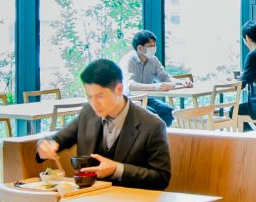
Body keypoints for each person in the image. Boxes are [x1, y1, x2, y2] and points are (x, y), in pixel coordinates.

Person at [35, 59, 172, 190]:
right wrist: (46, 144)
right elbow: (59, 139)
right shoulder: (88, 113)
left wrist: (117, 169)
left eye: (100, 96)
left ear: (119, 89)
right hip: (90, 200)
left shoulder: (152, 125)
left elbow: (161, 178)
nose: (94, 104)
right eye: (89, 96)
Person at [121, 30, 183, 125]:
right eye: (150, 46)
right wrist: (154, 87)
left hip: (145, 98)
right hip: (128, 100)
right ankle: (149, 138)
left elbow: (164, 77)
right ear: (140, 48)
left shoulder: (153, 59)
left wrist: (181, 82)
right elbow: (130, 85)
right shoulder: (128, 60)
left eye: (154, 45)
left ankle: (162, 137)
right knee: (151, 115)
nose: (153, 48)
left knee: (169, 112)